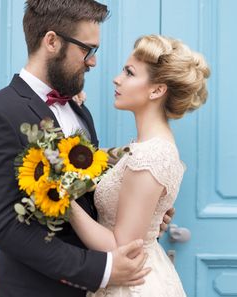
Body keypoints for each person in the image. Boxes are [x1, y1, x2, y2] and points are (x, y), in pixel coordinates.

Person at [0, 1, 173, 296]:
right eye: (87, 49)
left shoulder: (78, 110)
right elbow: (5, 227)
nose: (93, 62)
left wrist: (143, 212)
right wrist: (101, 269)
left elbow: (91, 192)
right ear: (52, 41)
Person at [68, 35, 210, 296]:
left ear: (157, 90)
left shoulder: (151, 155)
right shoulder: (145, 147)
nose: (117, 78)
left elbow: (120, 247)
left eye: (129, 72)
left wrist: (62, 201)